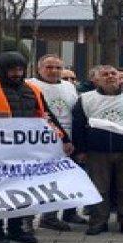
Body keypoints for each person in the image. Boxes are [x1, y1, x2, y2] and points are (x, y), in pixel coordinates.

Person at [0, 51, 70, 243]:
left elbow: (46, 117)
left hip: (25, 153)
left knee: (21, 190)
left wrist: (64, 138)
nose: (16, 73)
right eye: (12, 70)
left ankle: (16, 229)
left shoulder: (32, 90)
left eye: (20, 69)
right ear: (1, 70)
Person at [73, 65, 123, 236]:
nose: (110, 76)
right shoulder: (86, 98)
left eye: (113, 74)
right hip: (97, 151)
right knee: (99, 188)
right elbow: (78, 125)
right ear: (96, 79)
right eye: (105, 74)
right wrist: (80, 150)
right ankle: (98, 221)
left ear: (120, 77)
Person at [29, 54, 86, 230]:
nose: (54, 71)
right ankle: (33, 218)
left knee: (68, 178)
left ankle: (68, 212)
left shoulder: (69, 86)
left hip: (70, 140)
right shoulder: (30, 85)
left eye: (58, 68)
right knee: (42, 181)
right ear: (39, 69)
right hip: (42, 141)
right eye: (49, 67)